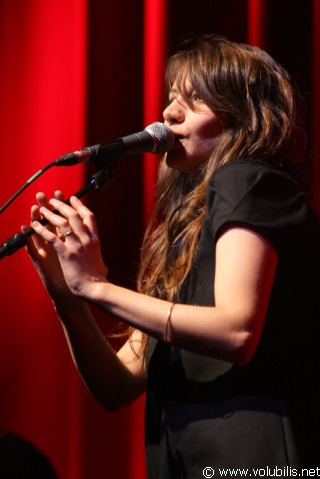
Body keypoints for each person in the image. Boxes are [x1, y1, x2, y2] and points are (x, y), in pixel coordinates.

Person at [23, 34, 320, 476]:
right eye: (170, 99)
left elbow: (237, 331)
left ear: (243, 116)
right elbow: (119, 385)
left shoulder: (246, 180)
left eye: (194, 99)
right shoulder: (182, 228)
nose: (168, 114)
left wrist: (97, 287)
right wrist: (69, 297)